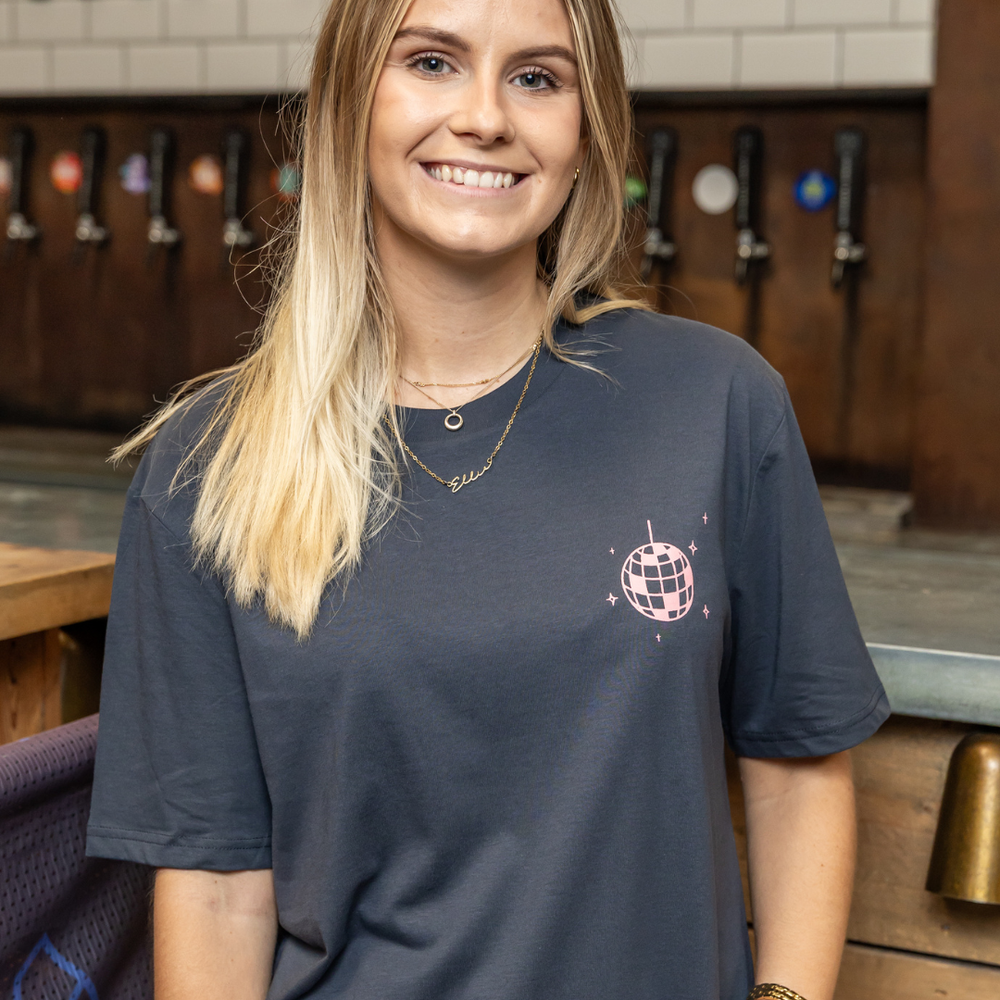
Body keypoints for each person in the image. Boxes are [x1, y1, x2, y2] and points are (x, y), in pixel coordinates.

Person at [85, 0, 889, 997]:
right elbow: (214, 891)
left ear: (585, 132)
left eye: (537, 78)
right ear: (348, 104)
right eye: (431, 61)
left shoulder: (715, 401)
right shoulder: (210, 465)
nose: (484, 117)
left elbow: (797, 767)